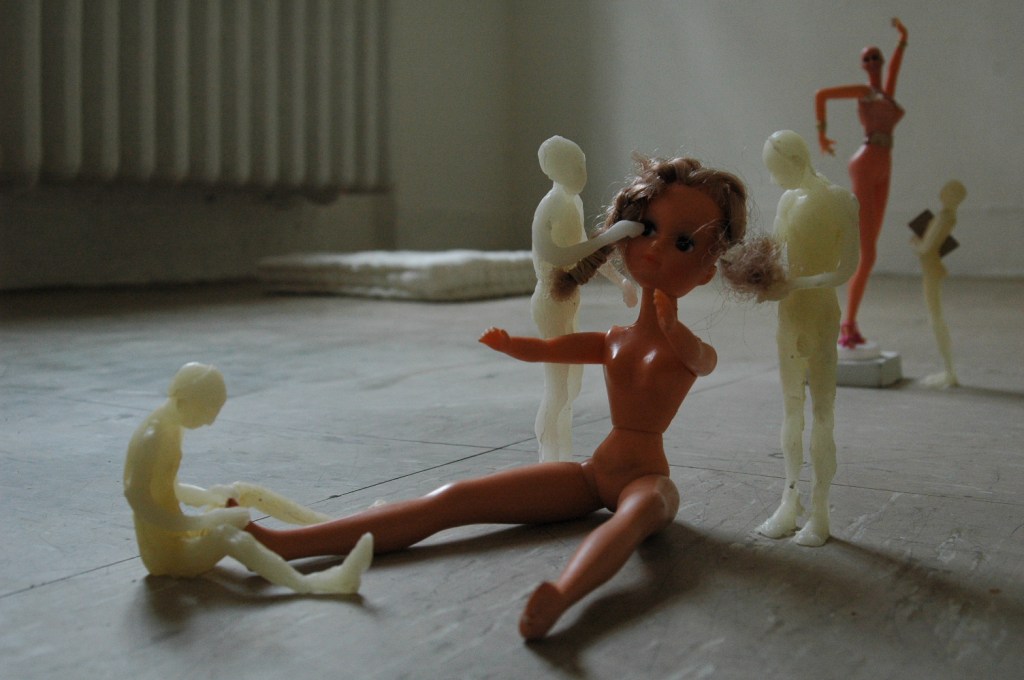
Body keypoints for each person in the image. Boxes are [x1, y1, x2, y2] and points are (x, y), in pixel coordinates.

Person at [244, 155, 747, 639]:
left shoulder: (688, 349)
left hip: (649, 481)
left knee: (631, 520)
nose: (656, 248)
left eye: (683, 242)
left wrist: (674, 331)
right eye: (648, 229)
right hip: (593, 475)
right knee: (456, 498)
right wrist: (511, 345)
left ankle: (561, 597)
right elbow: (549, 349)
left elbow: (702, 360)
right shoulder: (614, 339)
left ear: (707, 270)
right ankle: (287, 543)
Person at [123, 362, 373, 594]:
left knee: (241, 491)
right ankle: (317, 584)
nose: (210, 422)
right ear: (184, 400)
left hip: (183, 534)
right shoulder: (151, 439)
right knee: (224, 536)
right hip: (169, 556)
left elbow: (171, 487)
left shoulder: (172, 425)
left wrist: (209, 497)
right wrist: (208, 520)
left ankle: (339, 527)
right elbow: (143, 506)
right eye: (208, 411)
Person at [732, 131, 858, 547]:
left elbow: (846, 269)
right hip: (790, 315)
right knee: (790, 410)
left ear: (795, 160)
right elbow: (776, 257)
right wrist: (754, 273)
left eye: (776, 170)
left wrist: (797, 284)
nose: (773, 180)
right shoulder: (788, 201)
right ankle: (790, 500)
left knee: (822, 412)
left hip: (819, 313)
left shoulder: (840, 200)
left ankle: (820, 510)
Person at [529, 135, 640, 462]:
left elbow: (585, 253)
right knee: (557, 386)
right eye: (573, 167)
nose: (581, 173)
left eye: (582, 165)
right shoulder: (550, 206)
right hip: (550, 301)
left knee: (572, 385)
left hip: (569, 298)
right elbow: (556, 254)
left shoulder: (573, 203)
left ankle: (562, 457)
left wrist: (621, 281)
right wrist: (610, 236)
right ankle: (548, 460)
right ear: (553, 170)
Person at [815, 17, 908, 352]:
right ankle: (847, 324)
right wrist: (822, 134)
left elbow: (895, 70)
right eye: (867, 58)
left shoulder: (886, 94)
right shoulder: (864, 92)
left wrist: (902, 40)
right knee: (866, 253)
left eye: (876, 57)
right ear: (862, 65)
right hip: (867, 163)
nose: (872, 62)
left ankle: (850, 323)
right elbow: (822, 95)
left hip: (885, 164)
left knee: (870, 250)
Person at [911, 180, 967, 388]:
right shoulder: (947, 215)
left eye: (949, 192)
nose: (944, 193)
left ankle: (949, 372)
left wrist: (915, 243)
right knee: (936, 318)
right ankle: (948, 370)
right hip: (932, 267)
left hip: (931, 268)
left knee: (935, 319)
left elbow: (926, 248)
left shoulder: (945, 217)